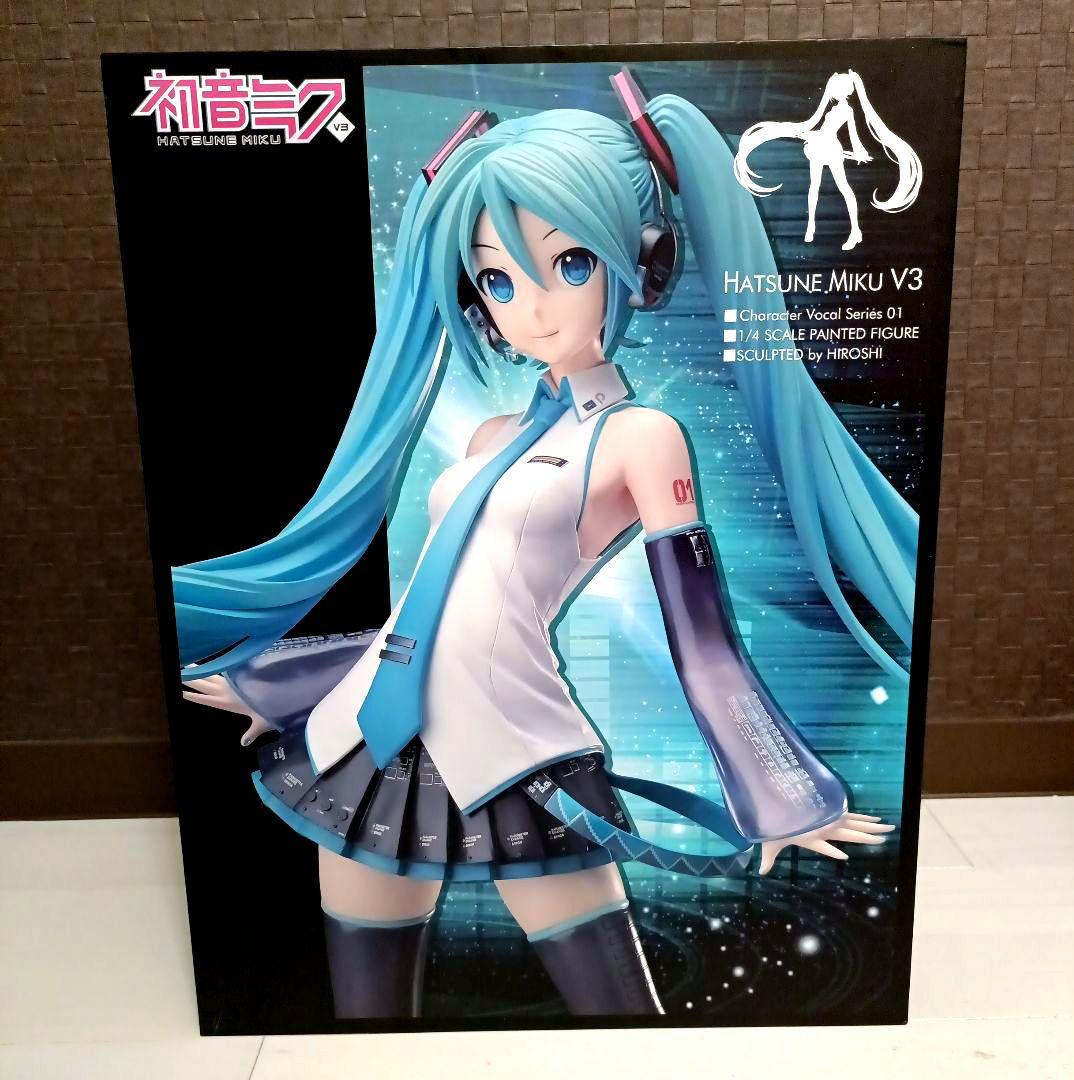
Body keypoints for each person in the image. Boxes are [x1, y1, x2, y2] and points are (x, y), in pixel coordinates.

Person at [177, 71, 907, 1019]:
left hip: (521, 754)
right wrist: (284, 682)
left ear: (641, 263)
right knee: (364, 1020)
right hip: (370, 744)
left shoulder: (642, 439)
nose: (531, 308)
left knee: (620, 1022)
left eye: (567, 264)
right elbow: (440, 611)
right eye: (497, 279)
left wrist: (784, 794)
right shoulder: (488, 440)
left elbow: (703, 641)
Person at [733, 69, 923, 250]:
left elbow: (852, 133)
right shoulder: (832, 108)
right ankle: (811, 226)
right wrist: (806, 133)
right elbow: (819, 124)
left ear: (845, 90)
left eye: (836, 87)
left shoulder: (847, 110)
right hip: (819, 145)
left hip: (830, 147)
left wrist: (858, 150)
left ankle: (855, 230)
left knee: (843, 187)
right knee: (814, 186)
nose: (832, 91)